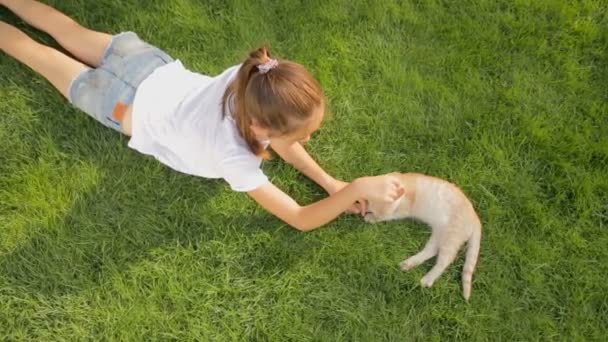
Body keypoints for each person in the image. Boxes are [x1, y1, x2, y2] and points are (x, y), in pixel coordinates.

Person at [0, 0, 404, 231]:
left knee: (62, 27)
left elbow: (281, 139)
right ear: (261, 127)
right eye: (305, 134)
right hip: (118, 106)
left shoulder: (247, 83)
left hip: (142, 63)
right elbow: (299, 218)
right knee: (35, 54)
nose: (305, 142)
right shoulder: (235, 159)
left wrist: (332, 183)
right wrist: (355, 189)